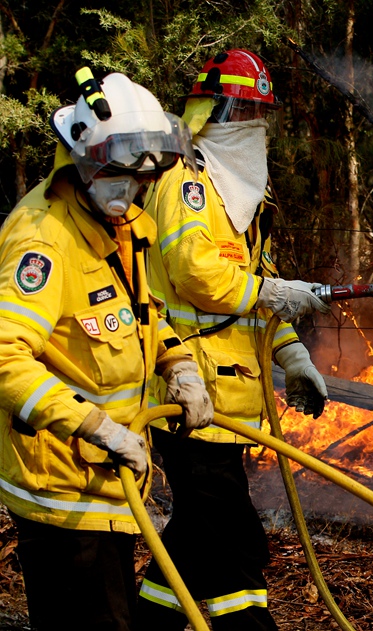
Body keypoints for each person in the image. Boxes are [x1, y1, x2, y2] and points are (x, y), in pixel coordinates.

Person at [0, 68, 214, 631]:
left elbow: (138, 316)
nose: (130, 191)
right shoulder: (44, 239)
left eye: (140, 180)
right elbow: (4, 357)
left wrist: (178, 362)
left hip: (111, 485)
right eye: (117, 175)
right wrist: (95, 425)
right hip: (64, 495)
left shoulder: (121, 229)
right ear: (82, 161)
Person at [136, 49, 330, 630]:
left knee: (198, 535)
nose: (252, 123)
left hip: (232, 401)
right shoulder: (184, 182)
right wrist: (270, 293)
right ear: (210, 110)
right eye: (242, 108)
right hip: (187, 393)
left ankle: (155, 619)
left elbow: (258, 289)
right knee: (235, 535)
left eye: (259, 111)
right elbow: (201, 273)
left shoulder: (242, 198)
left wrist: (293, 355)